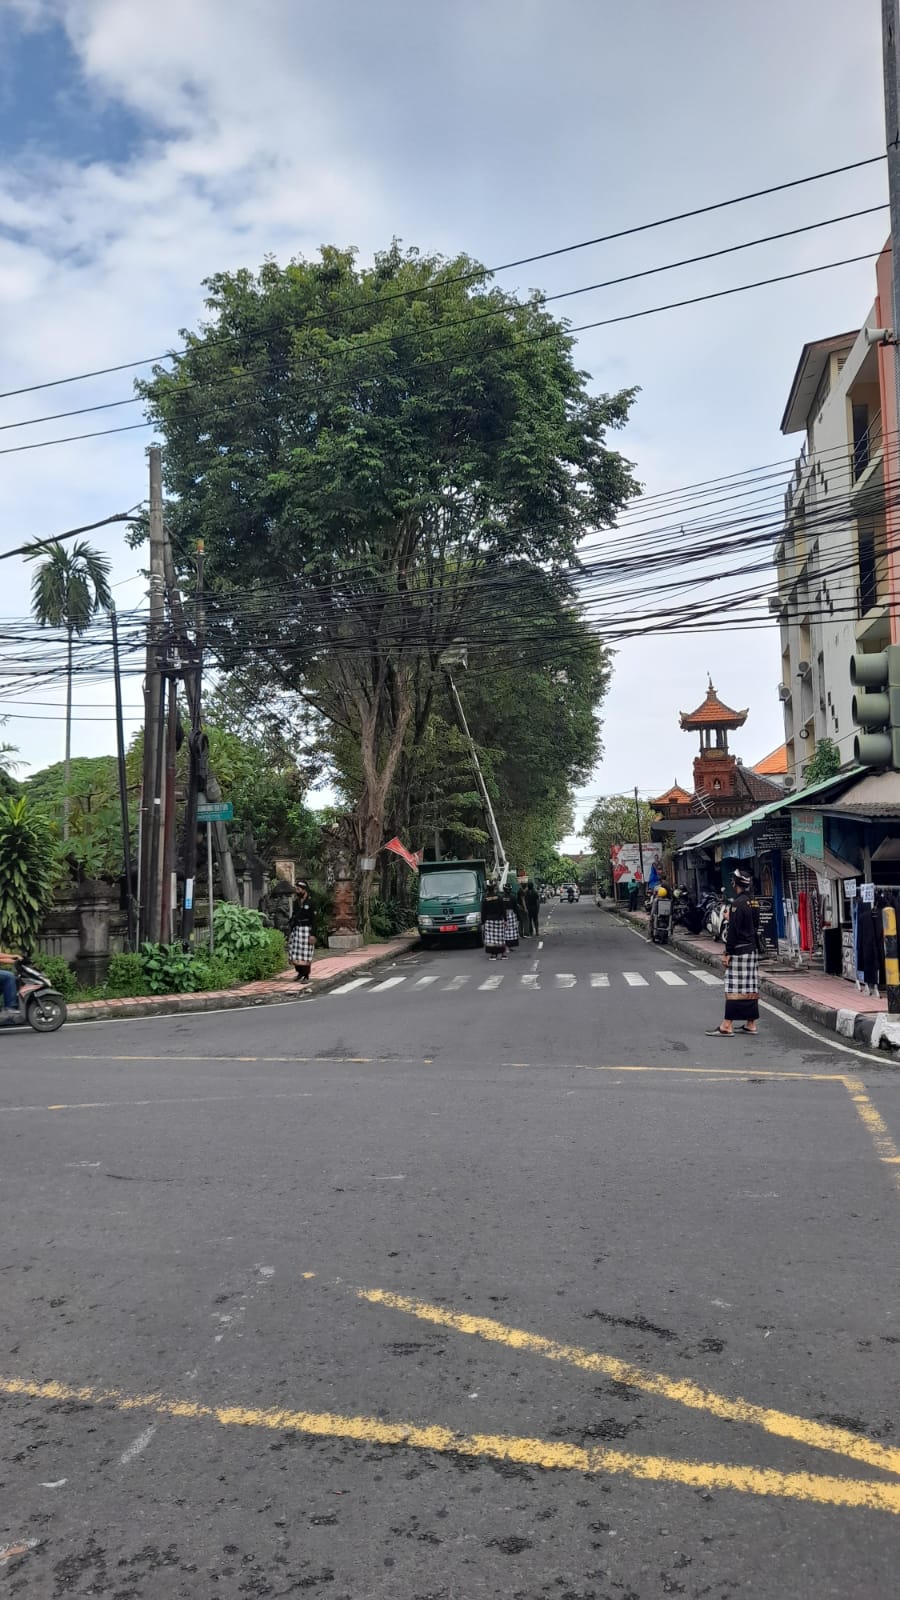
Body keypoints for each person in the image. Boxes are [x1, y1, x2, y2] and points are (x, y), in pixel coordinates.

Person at [706, 870, 759, 1036]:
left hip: (739, 950)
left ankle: (727, 1025)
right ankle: (751, 1023)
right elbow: (753, 925)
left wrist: (727, 952)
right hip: (752, 949)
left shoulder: (737, 903)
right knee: (750, 986)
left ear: (735, 883)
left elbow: (734, 931)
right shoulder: (753, 902)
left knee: (733, 986)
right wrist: (733, 919)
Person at [288, 880, 315, 983]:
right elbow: (294, 916)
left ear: (304, 890)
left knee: (305, 953)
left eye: (298, 889)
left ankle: (306, 975)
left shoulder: (311, 902)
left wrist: (313, 934)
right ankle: (299, 972)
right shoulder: (296, 902)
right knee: (294, 952)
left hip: (307, 929)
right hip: (297, 929)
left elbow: (314, 919)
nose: (297, 891)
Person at [481, 882, 508, 961]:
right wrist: (505, 920)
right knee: (500, 937)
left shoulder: (485, 899)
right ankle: (503, 954)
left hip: (489, 920)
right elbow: (503, 909)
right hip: (499, 919)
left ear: (487, 889)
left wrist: (482, 922)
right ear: (494, 888)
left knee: (491, 938)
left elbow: (483, 912)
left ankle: (493, 955)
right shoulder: (499, 897)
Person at [502, 883, 520, 951]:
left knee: (504, 932)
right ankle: (508, 947)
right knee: (511, 932)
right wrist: (518, 918)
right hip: (512, 915)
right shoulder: (513, 897)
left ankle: (507, 947)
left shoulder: (501, 898)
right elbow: (516, 909)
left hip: (503, 916)